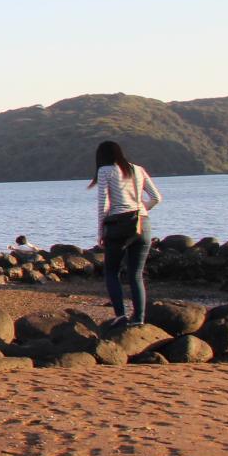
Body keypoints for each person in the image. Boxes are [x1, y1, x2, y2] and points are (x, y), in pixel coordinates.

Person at [89, 140, 162, 326]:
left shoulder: (105, 171)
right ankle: (138, 318)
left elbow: (103, 205)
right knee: (136, 274)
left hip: (119, 224)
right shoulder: (138, 169)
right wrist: (142, 210)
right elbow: (156, 197)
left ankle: (120, 315)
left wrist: (100, 231)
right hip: (143, 223)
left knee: (111, 271)